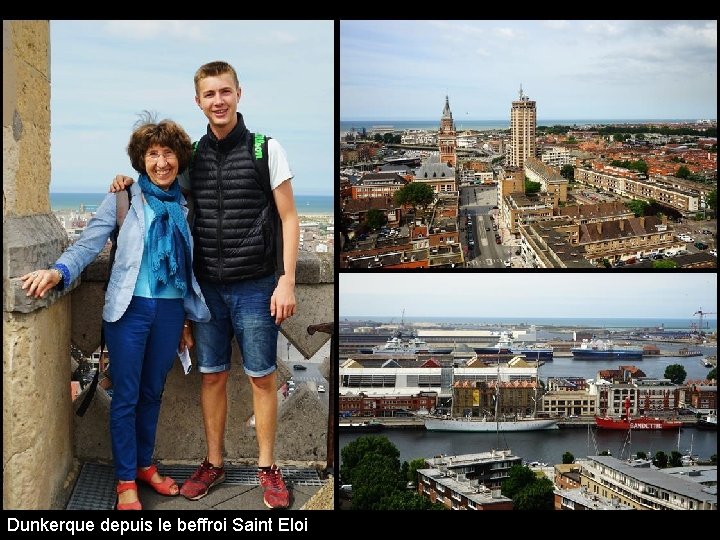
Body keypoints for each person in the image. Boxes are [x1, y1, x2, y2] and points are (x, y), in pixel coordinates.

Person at [111, 61, 300, 509]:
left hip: (257, 284)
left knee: (262, 377)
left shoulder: (265, 148)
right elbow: (157, 185)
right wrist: (122, 183)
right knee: (212, 376)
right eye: (209, 94)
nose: (218, 101)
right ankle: (212, 462)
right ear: (198, 101)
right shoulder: (191, 155)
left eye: (225, 92)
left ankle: (267, 468)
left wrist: (288, 280)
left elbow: (290, 217)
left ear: (239, 94)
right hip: (206, 289)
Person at [23, 116, 210, 510]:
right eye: (152, 154)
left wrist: (189, 321)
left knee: (152, 393)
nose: (161, 162)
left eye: (168, 153)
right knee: (125, 396)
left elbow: (190, 266)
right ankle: (125, 478)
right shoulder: (123, 198)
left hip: (172, 311)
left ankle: (144, 465)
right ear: (140, 161)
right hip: (129, 311)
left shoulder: (186, 204)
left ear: (180, 158)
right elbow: (89, 244)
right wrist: (57, 271)